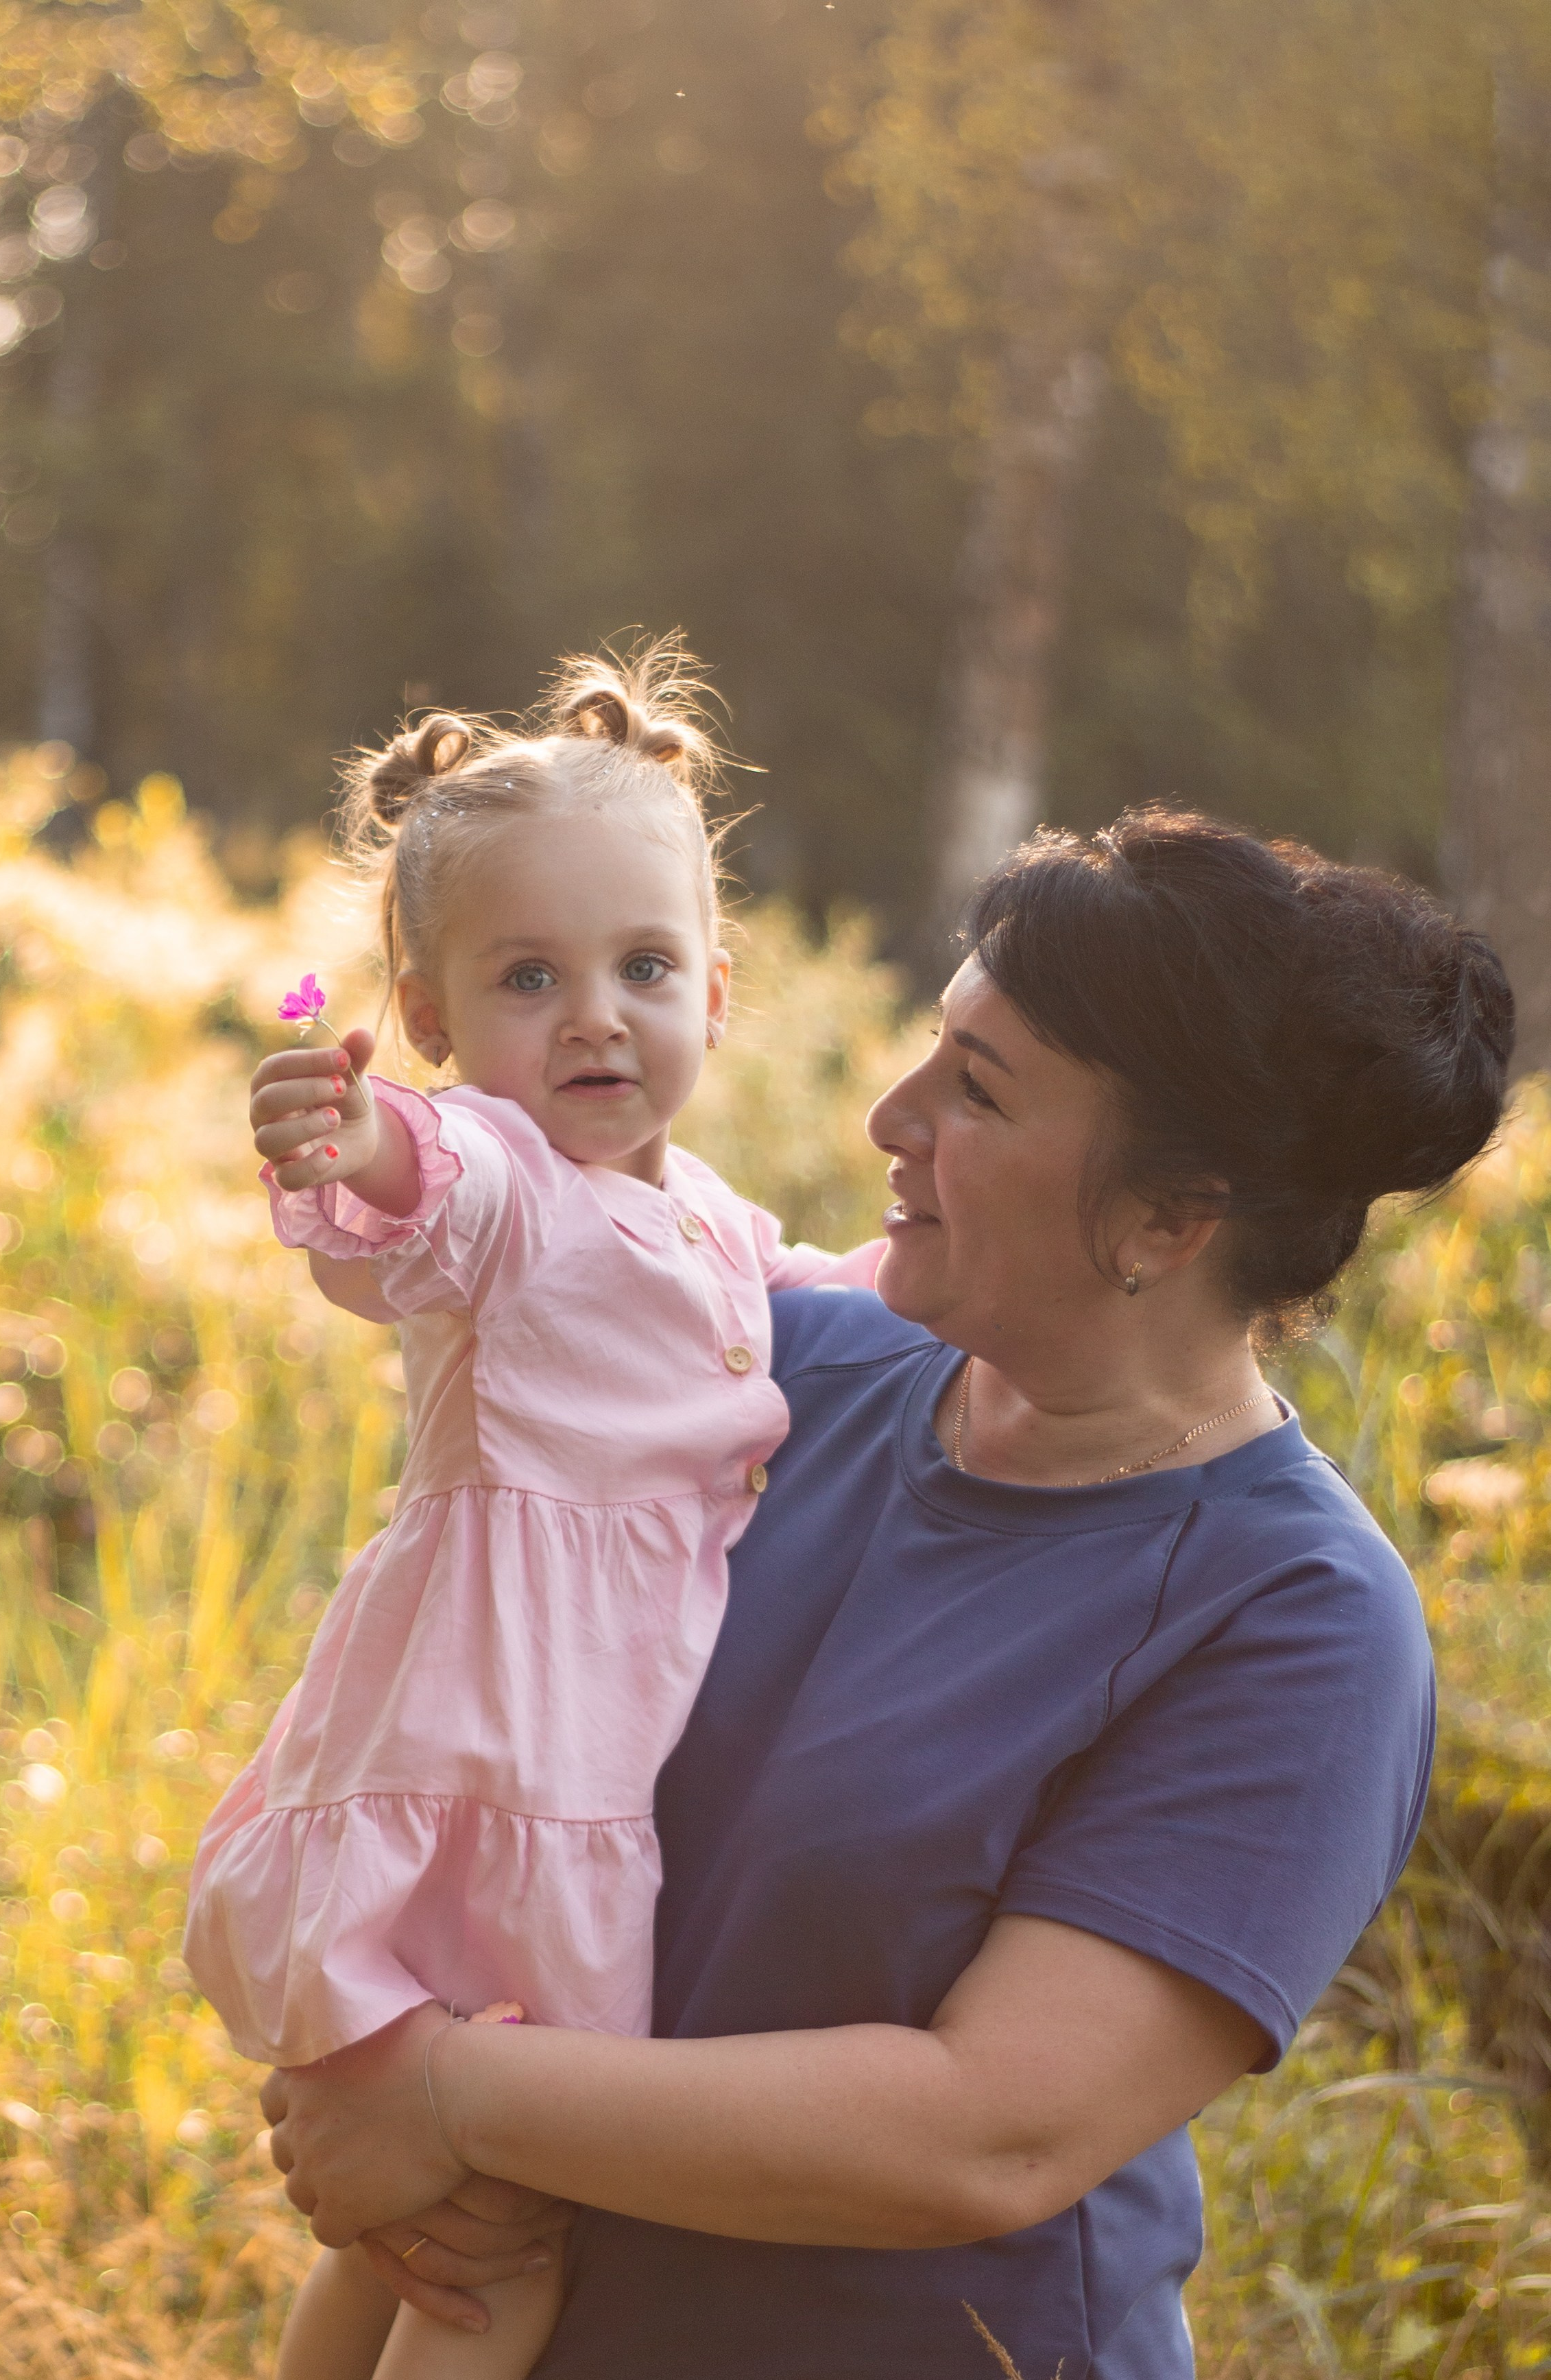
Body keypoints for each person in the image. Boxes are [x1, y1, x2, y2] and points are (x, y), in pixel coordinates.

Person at [258, 809, 1515, 2380]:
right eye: (931, 1046)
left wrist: (433, 2093)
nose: (885, 1116)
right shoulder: (779, 1373)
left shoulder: (1296, 1616)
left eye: (974, 1092)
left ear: (1166, 1217)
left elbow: (983, 2131)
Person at [182, 643, 876, 2380]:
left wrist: (944, 1279)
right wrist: (345, 1139)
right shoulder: (503, 1186)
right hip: (503, 1758)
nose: (593, 1017)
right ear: (430, 1022)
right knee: (508, 2247)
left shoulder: (712, 1217)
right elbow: (417, 1190)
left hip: (565, 1753)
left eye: (642, 967)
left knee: (432, 2216)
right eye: (526, 977)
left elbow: (822, 1304)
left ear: (717, 992)